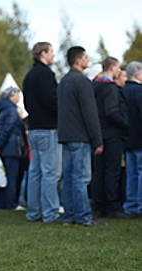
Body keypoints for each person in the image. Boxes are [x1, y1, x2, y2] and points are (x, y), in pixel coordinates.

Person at [57, 46, 104, 226]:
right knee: (81, 178)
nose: (88, 60)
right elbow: (90, 112)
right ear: (78, 60)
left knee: (69, 177)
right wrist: (97, 139)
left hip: (66, 135)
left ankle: (70, 215)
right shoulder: (82, 82)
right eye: (85, 57)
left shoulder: (64, 81)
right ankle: (84, 216)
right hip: (80, 136)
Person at [22, 42, 63, 223]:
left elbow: (27, 103)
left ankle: (33, 212)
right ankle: (50, 213)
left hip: (34, 129)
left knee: (35, 172)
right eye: (51, 52)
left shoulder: (29, 76)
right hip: (48, 128)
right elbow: (51, 100)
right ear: (43, 53)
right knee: (51, 173)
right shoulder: (46, 74)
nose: (53, 55)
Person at [92, 56, 129, 218]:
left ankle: (99, 206)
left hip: (97, 134)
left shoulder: (93, 86)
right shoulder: (111, 88)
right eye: (119, 68)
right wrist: (126, 124)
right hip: (113, 134)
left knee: (99, 171)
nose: (120, 71)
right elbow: (112, 111)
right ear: (113, 68)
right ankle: (112, 206)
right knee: (113, 171)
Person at [0, 87, 27, 210]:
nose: (19, 97)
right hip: (11, 148)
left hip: (3, 148)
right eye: (17, 94)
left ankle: (3, 203)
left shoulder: (2, 110)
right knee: (12, 177)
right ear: (11, 96)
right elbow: (8, 129)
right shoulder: (12, 110)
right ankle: (12, 203)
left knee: (3, 176)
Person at [123, 61, 142, 217]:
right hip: (140, 138)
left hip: (127, 138)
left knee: (132, 173)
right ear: (138, 75)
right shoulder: (140, 91)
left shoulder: (122, 91)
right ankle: (140, 205)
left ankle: (131, 204)